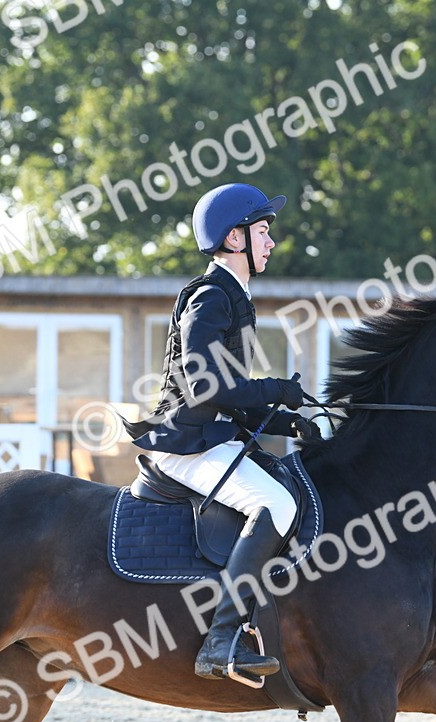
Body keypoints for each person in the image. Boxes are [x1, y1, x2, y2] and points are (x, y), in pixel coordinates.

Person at [124, 183, 320, 681]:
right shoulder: (212, 296)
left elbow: (229, 398)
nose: (271, 242)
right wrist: (276, 388)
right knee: (275, 505)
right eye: (263, 231)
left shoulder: (235, 296)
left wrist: (286, 421)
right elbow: (205, 384)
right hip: (185, 445)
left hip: (210, 438)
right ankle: (221, 640)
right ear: (235, 238)